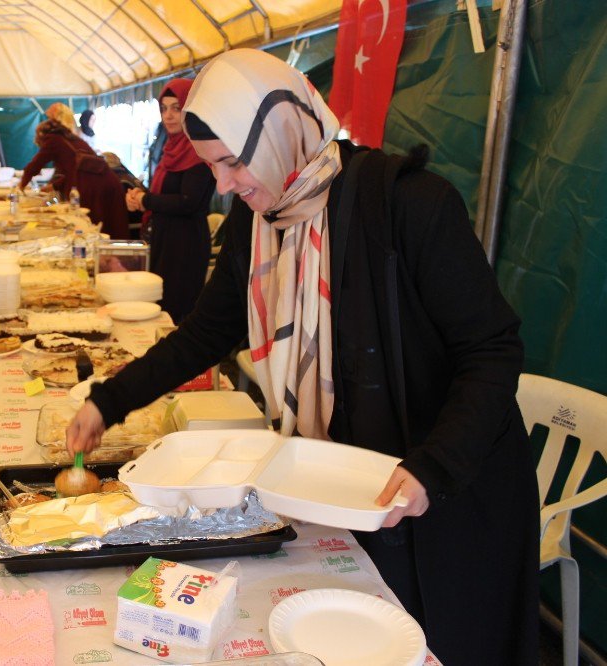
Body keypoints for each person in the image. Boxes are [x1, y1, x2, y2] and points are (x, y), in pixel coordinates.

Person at [67, 49, 538, 666]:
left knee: (444, 644)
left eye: (233, 163)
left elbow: (493, 350)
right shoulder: (260, 217)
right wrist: (109, 400)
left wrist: (436, 466)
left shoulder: (409, 205)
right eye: (214, 168)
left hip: (452, 487)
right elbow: (207, 332)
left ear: (281, 132)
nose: (225, 185)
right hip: (347, 481)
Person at [125, 79, 215, 322]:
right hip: (165, 236)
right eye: (164, 109)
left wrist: (147, 200)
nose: (169, 115)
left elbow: (189, 202)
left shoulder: (199, 149)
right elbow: (164, 193)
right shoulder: (169, 147)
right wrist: (138, 197)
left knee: (176, 309)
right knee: (160, 304)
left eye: (176, 108)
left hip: (185, 242)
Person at [19, 119, 128, 239]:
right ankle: (108, 253)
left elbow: (33, 166)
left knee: (89, 227)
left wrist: (20, 187)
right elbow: (73, 171)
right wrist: (54, 186)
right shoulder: (70, 138)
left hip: (94, 186)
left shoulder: (52, 140)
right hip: (107, 181)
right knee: (111, 223)